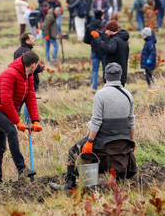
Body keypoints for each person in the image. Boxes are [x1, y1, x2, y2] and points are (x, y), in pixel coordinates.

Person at [49, 62, 136, 190]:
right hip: (123, 141)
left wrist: (89, 141)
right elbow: (131, 122)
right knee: (117, 152)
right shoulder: (128, 95)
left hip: (104, 142)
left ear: (105, 76)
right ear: (120, 76)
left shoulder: (101, 95)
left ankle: (70, 185)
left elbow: (96, 121)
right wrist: (131, 141)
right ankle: (120, 185)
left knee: (74, 151)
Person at [0, 51, 42, 184]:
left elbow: (30, 97)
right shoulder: (11, 74)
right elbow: (6, 100)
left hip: (3, 109)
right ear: (33, 65)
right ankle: (22, 169)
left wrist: (36, 120)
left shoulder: (29, 76)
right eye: (37, 64)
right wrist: (17, 122)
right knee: (11, 131)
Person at [13, 33, 44, 124]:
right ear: (27, 41)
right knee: (29, 105)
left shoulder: (17, 51)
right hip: (30, 82)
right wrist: (41, 68)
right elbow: (35, 67)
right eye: (32, 38)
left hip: (19, 83)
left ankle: (13, 121)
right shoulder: (29, 53)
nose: (34, 39)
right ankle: (27, 124)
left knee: (18, 104)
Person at [91, 20, 130, 86]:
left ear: (111, 30)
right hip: (121, 74)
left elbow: (108, 49)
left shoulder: (115, 40)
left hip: (114, 74)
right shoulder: (124, 40)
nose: (105, 32)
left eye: (107, 30)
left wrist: (97, 38)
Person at [84, 11, 107, 90]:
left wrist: (92, 43)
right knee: (106, 69)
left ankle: (93, 87)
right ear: (101, 16)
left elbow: (85, 39)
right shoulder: (105, 25)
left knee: (94, 70)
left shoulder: (89, 26)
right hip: (104, 50)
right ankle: (106, 86)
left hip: (94, 50)